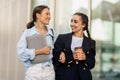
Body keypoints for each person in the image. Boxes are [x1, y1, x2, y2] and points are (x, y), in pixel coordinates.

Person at [52, 12, 96, 80]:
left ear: (83, 25)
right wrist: (69, 57)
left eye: (75, 22)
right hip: (64, 77)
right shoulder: (62, 38)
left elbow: (92, 64)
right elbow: (54, 58)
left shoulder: (91, 42)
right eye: (71, 21)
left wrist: (85, 58)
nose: (72, 24)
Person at [17, 5, 55, 80]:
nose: (49, 16)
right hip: (33, 71)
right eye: (47, 14)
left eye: (49, 14)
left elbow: (57, 50)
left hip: (49, 72)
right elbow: (21, 53)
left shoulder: (52, 33)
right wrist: (40, 51)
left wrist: (62, 53)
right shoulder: (27, 33)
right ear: (38, 15)